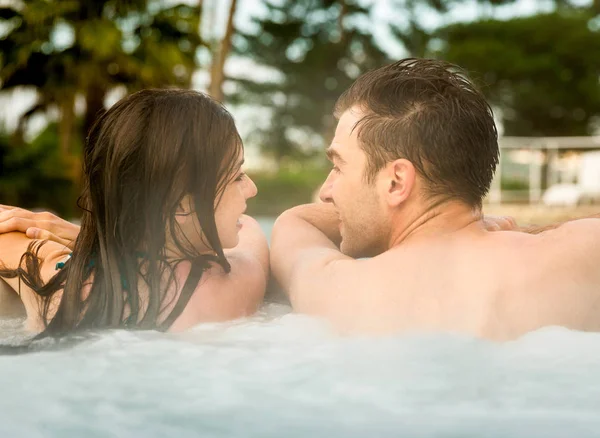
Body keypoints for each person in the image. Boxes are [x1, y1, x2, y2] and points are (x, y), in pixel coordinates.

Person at [268, 58, 600, 340]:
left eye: (338, 167)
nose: (327, 191)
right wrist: (521, 230)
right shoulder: (583, 253)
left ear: (397, 182)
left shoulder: (345, 292)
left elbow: (294, 222)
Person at [0, 88, 269, 336]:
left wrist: (89, 241)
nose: (252, 189)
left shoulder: (61, 289)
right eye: (237, 176)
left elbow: (6, 240)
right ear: (180, 204)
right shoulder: (223, 290)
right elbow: (249, 232)